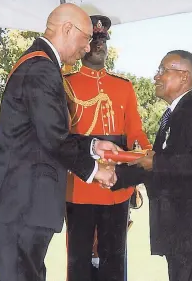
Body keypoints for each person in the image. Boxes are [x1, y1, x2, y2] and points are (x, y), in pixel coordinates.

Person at [0, 4, 120, 281]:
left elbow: (43, 132)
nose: (87, 48)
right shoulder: (41, 68)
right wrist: (95, 170)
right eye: (86, 38)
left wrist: (93, 146)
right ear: (68, 29)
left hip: (21, 202)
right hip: (24, 202)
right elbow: (53, 137)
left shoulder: (37, 63)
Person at [113, 50, 192, 281]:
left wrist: (154, 160)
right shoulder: (175, 115)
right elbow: (161, 168)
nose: (156, 77)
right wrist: (113, 176)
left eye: (162, 70)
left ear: (184, 77)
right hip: (181, 231)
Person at [64, 15, 151, 281]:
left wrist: (147, 151)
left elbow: (135, 129)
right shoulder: (65, 83)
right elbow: (62, 136)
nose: (99, 46)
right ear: (83, 46)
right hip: (80, 182)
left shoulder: (123, 86)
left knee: (115, 258)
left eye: (103, 41)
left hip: (117, 186)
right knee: (78, 259)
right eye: (93, 40)